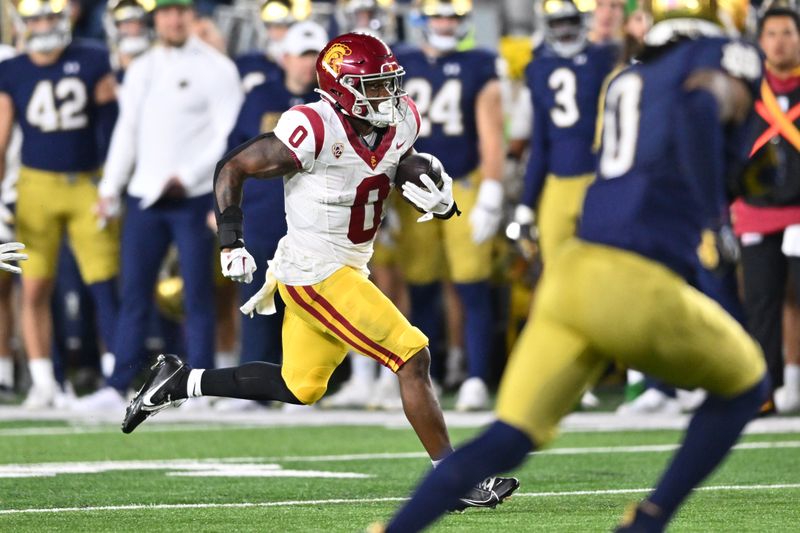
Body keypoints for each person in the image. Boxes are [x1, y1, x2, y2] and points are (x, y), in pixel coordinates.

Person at [380, 0, 769, 530]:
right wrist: (713, 215)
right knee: (747, 386)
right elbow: (705, 106)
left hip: (573, 274)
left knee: (508, 439)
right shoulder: (715, 57)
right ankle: (648, 521)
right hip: (637, 281)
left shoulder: (629, 79)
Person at [122, 31, 519, 511]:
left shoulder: (401, 118)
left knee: (300, 385)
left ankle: (179, 382)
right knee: (411, 355)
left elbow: (398, 161)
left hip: (348, 266)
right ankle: (450, 480)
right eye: (373, 86)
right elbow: (233, 168)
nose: (387, 95)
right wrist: (231, 241)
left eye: (389, 83)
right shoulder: (313, 126)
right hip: (315, 270)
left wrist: (431, 189)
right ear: (341, 89)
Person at [77, 0, 242, 410]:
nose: (172, 19)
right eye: (165, 12)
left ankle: (200, 387)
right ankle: (117, 384)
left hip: (195, 196)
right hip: (145, 196)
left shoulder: (217, 68)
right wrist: (111, 187)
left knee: (198, 294)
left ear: (192, 15)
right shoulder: (142, 67)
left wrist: (187, 176)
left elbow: (228, 137)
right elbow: (127, 131)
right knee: (133, 293)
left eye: (180, 11)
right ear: (157, 18)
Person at [0, 0, 120, 409]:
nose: (44, 24)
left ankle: (113, 375)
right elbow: (0, 139)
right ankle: (42, 380)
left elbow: (111, 127)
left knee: (104, 282)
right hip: (34, 185)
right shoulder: (12, 69)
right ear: (23, 23)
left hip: (88, 181)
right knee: (33, 286)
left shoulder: (91, 57)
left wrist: (112, 183)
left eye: (50, 16)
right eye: (35, 17)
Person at [393, 0, 506, 410]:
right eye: (439, 15)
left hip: (462, 184)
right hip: (410, 188)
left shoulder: (480, 62)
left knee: (471, 283)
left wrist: (493, 187)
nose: (445, 23)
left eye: (453, 17)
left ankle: (476, 376)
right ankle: (430, 373)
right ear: (422, 19)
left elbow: (492, 130)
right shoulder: (399, 64)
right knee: (420, 285)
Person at [215, 20, 328, 412]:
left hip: (317, 218)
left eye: (316, 55)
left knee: (319, 301)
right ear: (284, 58)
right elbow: (232, 155)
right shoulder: (260, 95)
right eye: (302, 55)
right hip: (264, 212)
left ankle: (321, 382)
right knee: (256, 300)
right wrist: (224, 212)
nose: (308, 64)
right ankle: (255, 386)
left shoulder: (333, 103)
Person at [732, 5, 800, 414]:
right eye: (772, 34)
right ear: (760, 42)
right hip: (755, 211)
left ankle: (793, 378)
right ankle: (765, 389)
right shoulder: (745, 89)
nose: (780, 41)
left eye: (788, 33)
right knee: (760, 301)